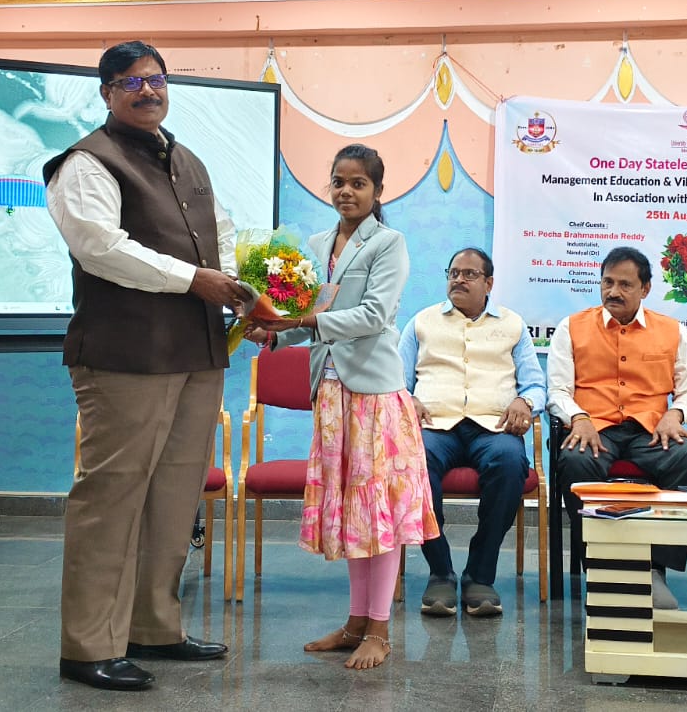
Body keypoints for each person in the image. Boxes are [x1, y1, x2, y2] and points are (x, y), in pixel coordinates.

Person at [42, 40, 249, 691]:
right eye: (131, 82)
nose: (147, 91)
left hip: (197, 354)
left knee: (174, 497)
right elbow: (100, 248)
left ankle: (153, 627)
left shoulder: (186, 159)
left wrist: (243, 289)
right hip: (124, 357)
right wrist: (195, 280)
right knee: (112, 497)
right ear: (106, 92)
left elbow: (222, 235)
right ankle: (88, 646)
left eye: (156, 79)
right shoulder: (85, 162)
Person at [248, 144, 438, 670]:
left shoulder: (389, 243)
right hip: (330, 395)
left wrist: (302, 322)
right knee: (353, 513)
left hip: (375, 397)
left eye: (358, 183)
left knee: (379, 513)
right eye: (339, 182)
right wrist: (272, 333)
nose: (346, 192)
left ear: (378, 191)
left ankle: (380, 629)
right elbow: (309, 319)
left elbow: (375, 315)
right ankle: (355, 624)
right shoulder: (314, 246)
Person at [547, 246, 687, 606]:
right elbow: (557, 390)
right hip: (595, 429)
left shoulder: (672, 331)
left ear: (645, 289)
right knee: (575, 461)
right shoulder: (571, 327)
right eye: (607, 282)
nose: (613, 292)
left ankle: (655, 568)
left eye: (624, 284)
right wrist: (578, 417)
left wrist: (676, 414)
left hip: (651, 431)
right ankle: (601, 564)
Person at [398, 247, 546, 618]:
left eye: (469, 274)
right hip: (435, 426)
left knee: (510, 462)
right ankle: (440, 572)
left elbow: (535, 384)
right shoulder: (421, 323)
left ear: (489, 283)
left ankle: (480, 575)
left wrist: (525, 402)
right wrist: (407, 400)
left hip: (492, 427)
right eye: (453, 273)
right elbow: (396, 382)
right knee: (414, 460)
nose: (459, 280)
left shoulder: (512, 325)